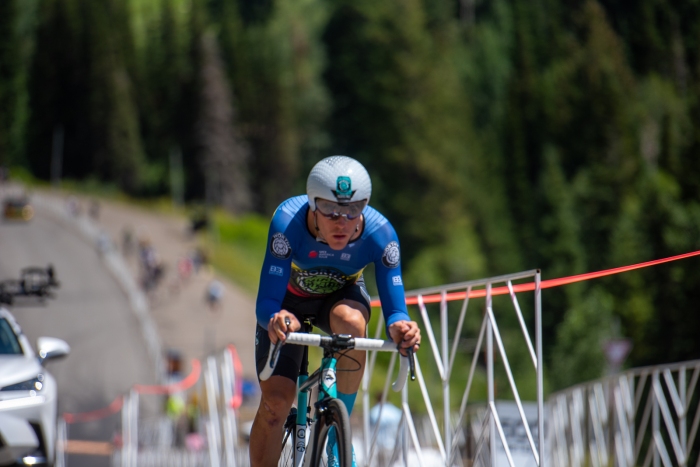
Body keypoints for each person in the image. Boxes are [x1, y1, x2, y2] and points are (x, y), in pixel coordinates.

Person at [250, 156, 421, 467]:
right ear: (312, 205)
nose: (342, 222)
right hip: (288, 305)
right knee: (275, 405)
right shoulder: (287, 221)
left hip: (340, 301)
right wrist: (275, 319)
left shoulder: (381, 235)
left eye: (353, 210)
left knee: (353, 322)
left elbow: (396, 311)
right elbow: (266, 304)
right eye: (331, 211)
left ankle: (338, 437)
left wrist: (400, 327)